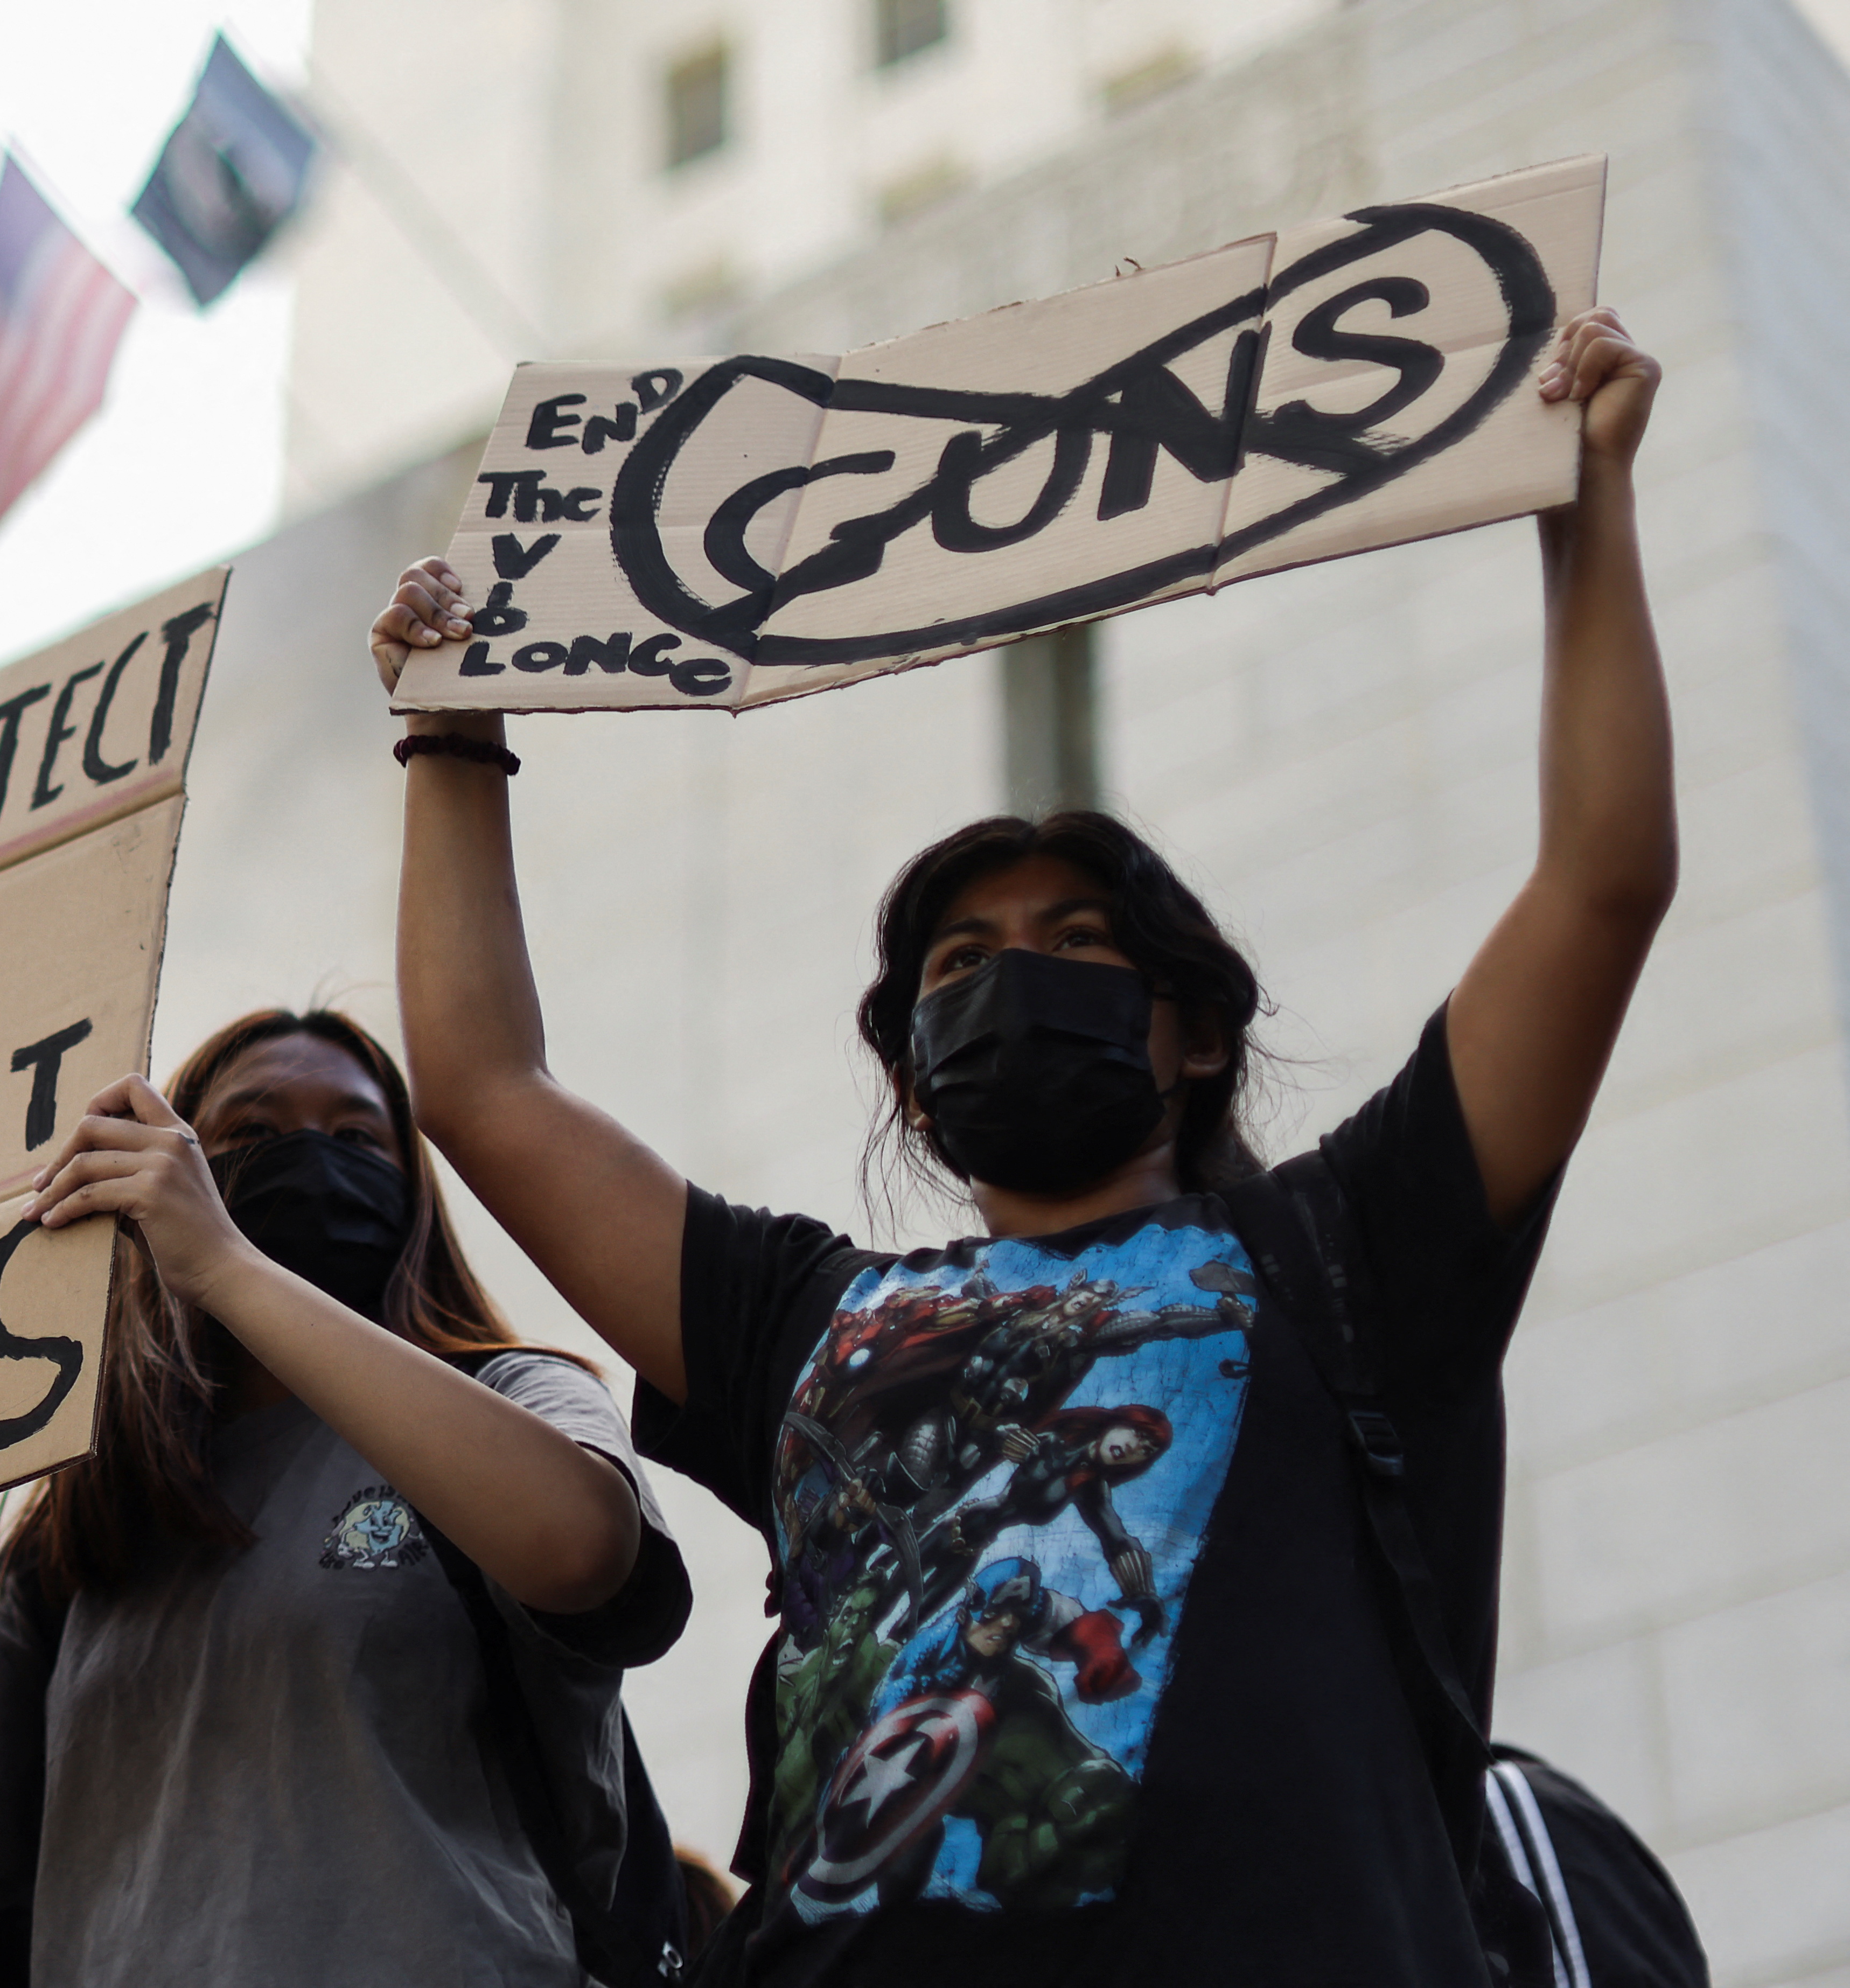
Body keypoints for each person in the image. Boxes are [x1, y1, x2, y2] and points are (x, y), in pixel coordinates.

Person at [371, 305, 1669, 1986]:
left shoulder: (1353, 1246)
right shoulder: (795, 1318)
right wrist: (451, 739)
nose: (1009, 979)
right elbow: (483, 1087)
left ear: (1193, 1030)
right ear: (913, 1077)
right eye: (958, 968)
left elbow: (1600, 882)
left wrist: (1587, 513)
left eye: (1073, 938)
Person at [0, 1008, 692, 1985]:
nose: (311, 1156)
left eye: (357, 1138)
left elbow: (579, 1547)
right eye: (251, 1133)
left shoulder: (508, 1392)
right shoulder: (99, 1532)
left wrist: (222, 1266)